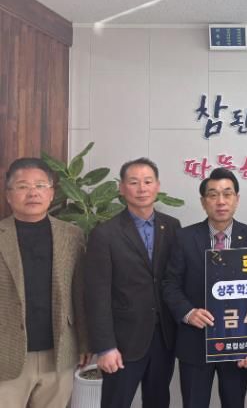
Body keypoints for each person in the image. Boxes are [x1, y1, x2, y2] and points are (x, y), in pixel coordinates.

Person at [84, 157, 180, 408]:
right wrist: (105, 347)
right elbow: (97, 295)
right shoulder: (105, 233)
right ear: (122, 188)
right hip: (123, 342)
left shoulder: (172, 227)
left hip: (164, 338)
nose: (142, 188)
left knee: (159, 401)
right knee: (116, 402)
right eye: (134, 182)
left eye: (148, 181)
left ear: (157, 186)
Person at [163, 167, 247, 408]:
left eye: (227, 194)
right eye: (213, 194)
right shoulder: (184, 237)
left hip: (237, 345)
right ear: (203, 201)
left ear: (237, 199)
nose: (221, 201)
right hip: (194, 343)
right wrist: (188, 312)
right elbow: (170, 284)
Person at [0, 157, 89, 407]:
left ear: (51, 193)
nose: (33, 193)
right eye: (22, 186)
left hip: (59, 353)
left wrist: (85, 342)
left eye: (40, 185)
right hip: (6, 353)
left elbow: (80, 293)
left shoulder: (72, 235)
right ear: (9, 195)